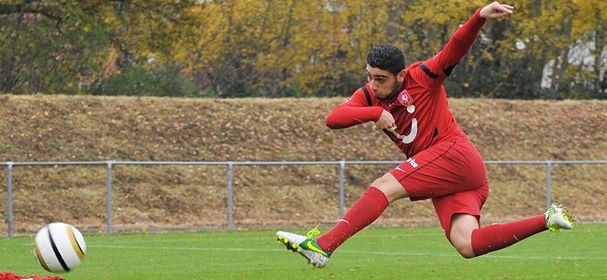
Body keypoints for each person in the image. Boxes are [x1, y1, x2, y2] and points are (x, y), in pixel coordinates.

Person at [276, 1, 575, 268]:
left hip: (454, 153)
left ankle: (323, 246)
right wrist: (374, 112)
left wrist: (478, 17)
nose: (373, 85)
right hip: (455, 174)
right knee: (467, 244)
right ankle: (547, 219)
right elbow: (333, 119)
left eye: (381, 79)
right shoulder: (370, 96)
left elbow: (454, 48)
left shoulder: (423, 76)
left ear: (401, 75)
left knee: (385, 185)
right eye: (369, 76)